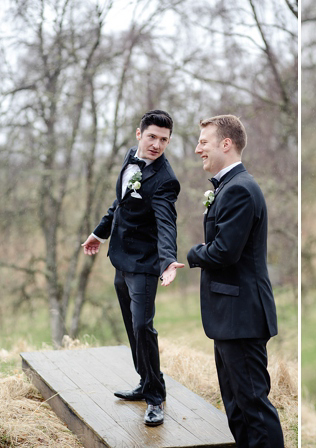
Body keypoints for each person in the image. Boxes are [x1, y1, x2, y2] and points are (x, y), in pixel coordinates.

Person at [81, 110, 184, 427]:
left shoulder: (166, 180)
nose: (157, 144)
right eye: (152, 136)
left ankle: (156, 397)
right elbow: (120, 204)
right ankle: (143, 382)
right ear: (139, 135)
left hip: (145, 265)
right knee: (131, 325)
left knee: (143, 327)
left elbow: (167, 224)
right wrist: (99, 233)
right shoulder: (129, 159)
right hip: (120, 259)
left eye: (164, 140)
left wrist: (168, 261)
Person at [187, 115, 284, 448]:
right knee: (237, 409)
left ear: (225, 144)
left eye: (204, 142)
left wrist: (191, 254)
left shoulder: (240, 189)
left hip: (242, 316)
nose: (198, 148)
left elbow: (225, 252)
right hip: (229, 317)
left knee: (254, 407)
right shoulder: (229, 187)